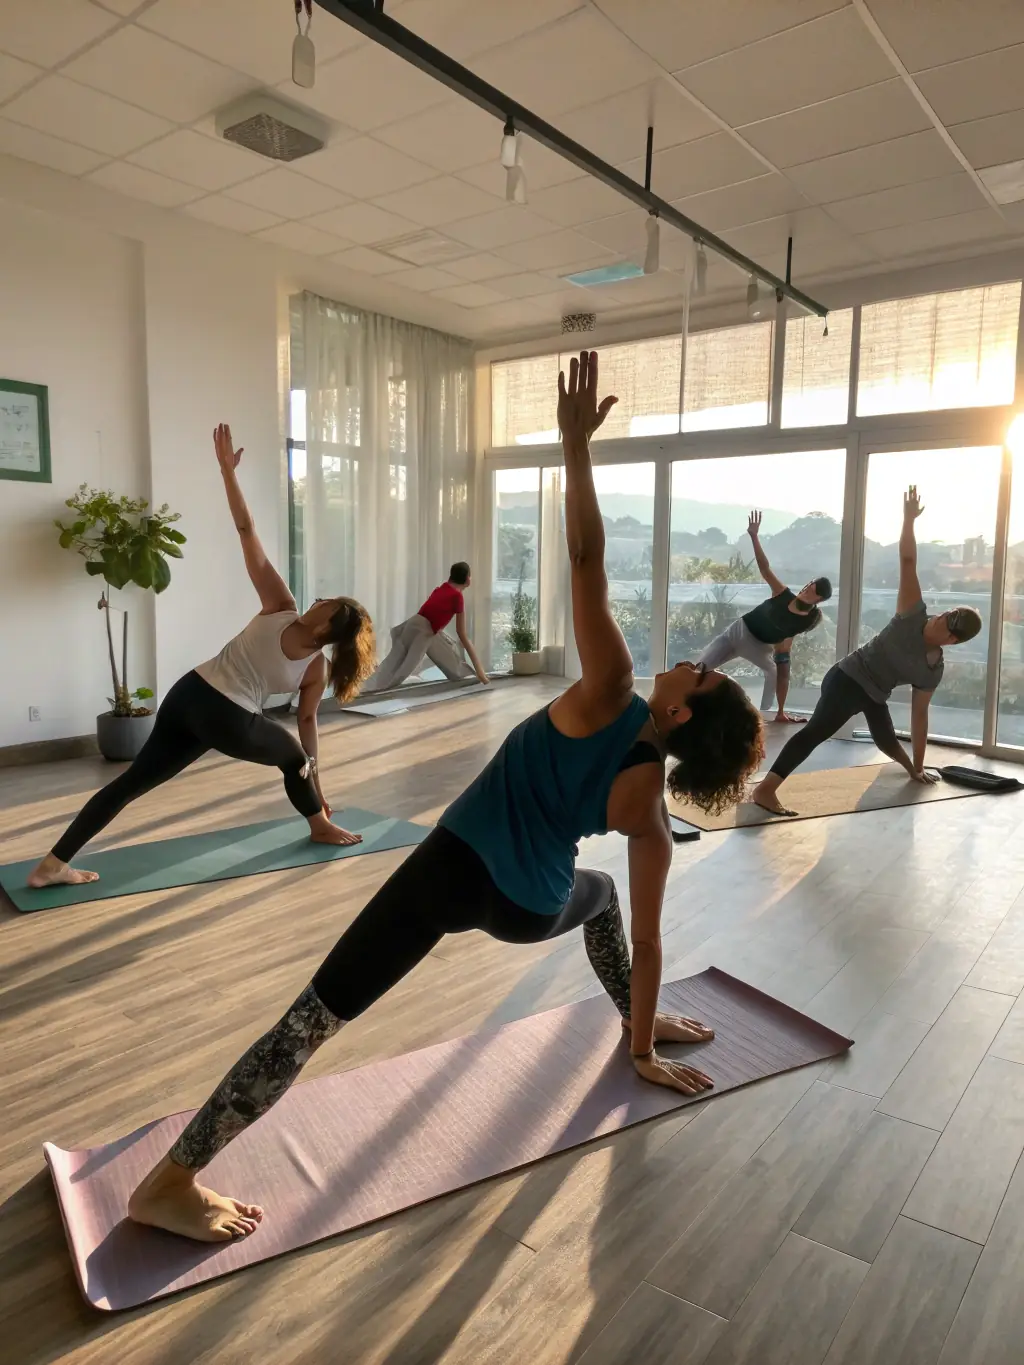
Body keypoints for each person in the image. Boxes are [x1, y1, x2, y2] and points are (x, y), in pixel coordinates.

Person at [125, 350, 764, 1244]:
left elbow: (584, 553)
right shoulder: (650, 817)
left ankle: (173, 1181)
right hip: (525, 903)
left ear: (682, 705)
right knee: (606, 897)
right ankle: (632, 1026)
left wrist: (575, 444)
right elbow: (651, 941)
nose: (690, 656)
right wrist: (646, 1045)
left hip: (449, 863)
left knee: (316, 1016)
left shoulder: (611, 688)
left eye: (696, 668)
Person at [28, 424, 376, 889]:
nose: (317, 599)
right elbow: (246, 531)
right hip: (222, 713)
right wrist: (227, 474)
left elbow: (309, 726)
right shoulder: (289, 619)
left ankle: (52, 864)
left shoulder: (288, 619)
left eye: (325, 603)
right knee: (294, 758)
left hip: (188, 694)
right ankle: (319, 825)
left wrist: (314, 780)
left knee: (130, 784)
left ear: (326, 626)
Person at [752, 486, 983, 816]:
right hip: (848, 678)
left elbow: (920, 716)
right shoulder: (912, 614)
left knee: (886, 738)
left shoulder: (932, 669)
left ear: (953, 640)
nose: (941, 619)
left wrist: (918, 763)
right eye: (947, 613)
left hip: (874, 692)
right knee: (817, 731)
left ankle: (914, 770)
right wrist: (908, 521)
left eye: (949, 623)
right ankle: (765, 790)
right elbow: (908, 560)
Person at [697, 511, 832, 723]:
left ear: (818, 599)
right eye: (807, 586)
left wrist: (782, 662)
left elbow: (785, 645)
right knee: (701, 668)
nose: (805, 590)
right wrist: (754, 536)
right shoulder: (783, 594)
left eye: (811, 591)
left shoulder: (808, 619)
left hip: (758, 646)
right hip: (738, 631)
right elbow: (764, 568)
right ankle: (686, 705)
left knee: (775, 671)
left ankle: (769, 714)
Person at [365, 563, 488, 692]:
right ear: (468, 580)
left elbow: (431, 614)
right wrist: (480, 671)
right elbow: (461, 634)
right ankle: (368, 689)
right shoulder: (457, 596)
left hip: (416, 624)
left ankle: (466, 677)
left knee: (396, 660)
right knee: (402, 668)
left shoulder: (441, 588)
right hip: (422, 630)